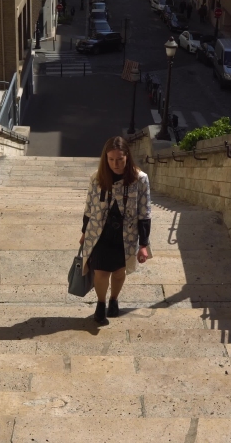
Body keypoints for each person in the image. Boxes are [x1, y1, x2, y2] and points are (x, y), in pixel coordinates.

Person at [79, 137, 152, 324]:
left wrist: (144, 244)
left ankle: (114, 300)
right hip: (99, 233)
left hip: (125, 235)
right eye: (110, 159)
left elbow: (144, 213)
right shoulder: (97, 178)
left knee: (119, 272)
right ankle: (101, 304)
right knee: (101, 272)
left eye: (119, 159)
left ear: (127, 156)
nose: (115, 164)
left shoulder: (140, 179)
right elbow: (89, 207)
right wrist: (84, 231)